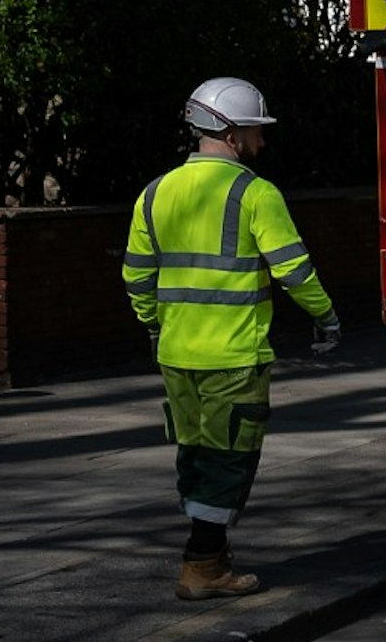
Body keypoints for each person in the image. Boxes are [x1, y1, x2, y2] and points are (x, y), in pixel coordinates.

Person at [123, 78, 339, 599]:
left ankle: (210, 560)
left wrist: (156, 325)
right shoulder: (255, 193)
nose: (261, 143)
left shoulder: (154, 194)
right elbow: (293, 271)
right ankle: (202, 565)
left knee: (196, 456)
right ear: (229, 132)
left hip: (176, 355)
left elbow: (136, 277)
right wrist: (326, 316)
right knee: (229, 459)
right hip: (233, 355)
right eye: (254, 132)